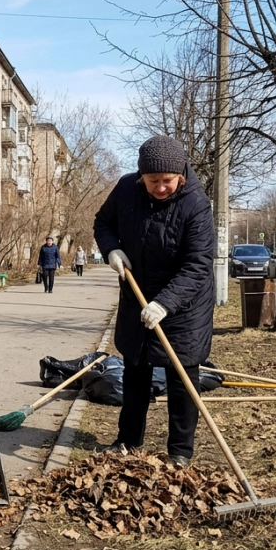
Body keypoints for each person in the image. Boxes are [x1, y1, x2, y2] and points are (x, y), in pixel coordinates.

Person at [92, 135, 215, 468]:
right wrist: (111, 250)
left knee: (181, 377)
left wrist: (165, 303)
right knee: (135, 369)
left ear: (181, 176)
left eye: (167, 181)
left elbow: (198, 264)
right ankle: (128, 441)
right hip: (138, 291)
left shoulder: (196, 204)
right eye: (153, 181)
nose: (160, 187)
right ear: (140, 176)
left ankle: (180, 452)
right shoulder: (126, 189)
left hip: (185, 303)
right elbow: (103, 223)